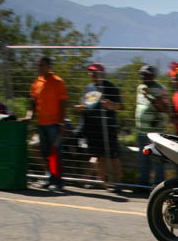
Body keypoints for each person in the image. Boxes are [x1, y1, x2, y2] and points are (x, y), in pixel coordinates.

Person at [74, 62, 123, 193]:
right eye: (91, 72)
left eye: (95, 72)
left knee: (113, 156)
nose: (92, 74)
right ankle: (104, 184)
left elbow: (119, 105)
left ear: (102, 73)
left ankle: (118, 183)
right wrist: (79, 108)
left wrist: (111, 105)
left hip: (108, 128)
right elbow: (84, 104)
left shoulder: (110, 87)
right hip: (92, 129)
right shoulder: (89, 88)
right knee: (99, 156)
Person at [24, 56, 68, 191]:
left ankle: (58, 181)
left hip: (54, 123)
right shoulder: (36, 83)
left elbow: (63, 103)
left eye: (42, 65)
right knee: (45, 153)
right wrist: (29, 115)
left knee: (55, 153)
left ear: (49, 66)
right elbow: (32, 102)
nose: (40, 67)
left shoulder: (58, 82)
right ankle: (50, 178)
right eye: (38, 65)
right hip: (41, 123)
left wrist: (61, 122)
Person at [135, 64, 169, 191]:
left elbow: (165, 109)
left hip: (156, 134)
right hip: (142, 132)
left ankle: (159, 188)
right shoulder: (140, 88)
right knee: (143, 160)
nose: (144, 77)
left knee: (157, 161)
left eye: (147, 75)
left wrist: (152, 99)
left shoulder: (161, 89)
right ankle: (142, 185)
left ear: (154, 76)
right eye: (142, 74)